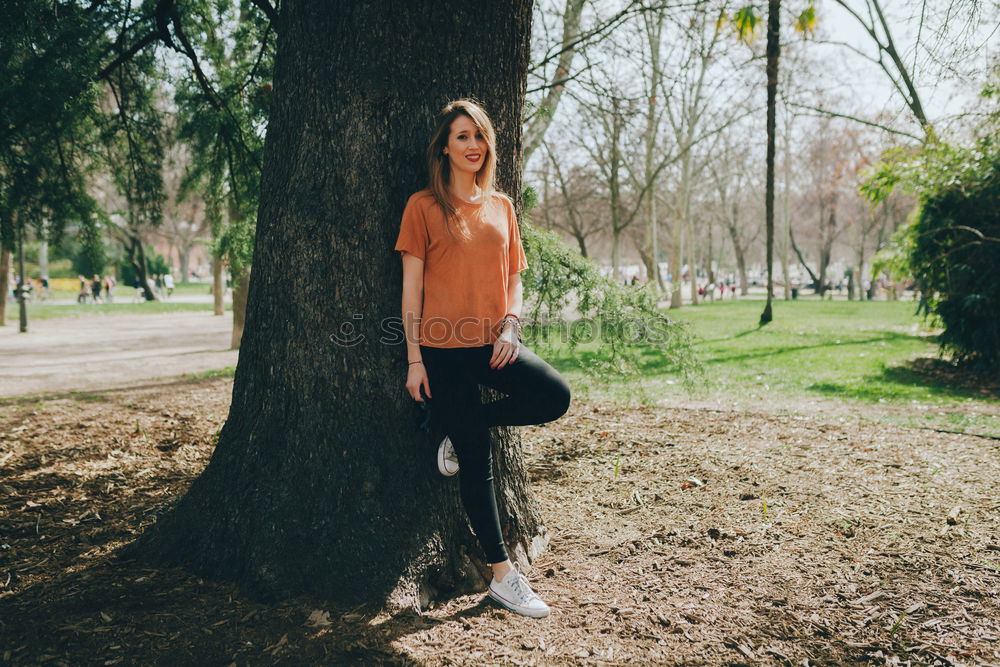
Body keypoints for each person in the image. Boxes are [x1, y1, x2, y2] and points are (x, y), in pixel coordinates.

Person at [395, 99, 571, 619]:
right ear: (444, 147)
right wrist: (414, 361)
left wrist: (512, 325)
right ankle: (502, 577)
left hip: (495, 346)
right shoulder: (423, 206)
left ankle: (461, 423)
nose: (473, 145)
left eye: (480, 136)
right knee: (479, 463)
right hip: (442, 350)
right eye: (462, 137)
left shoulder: (502, 207)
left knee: (555, 396)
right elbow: (411, 291)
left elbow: (515, 279)